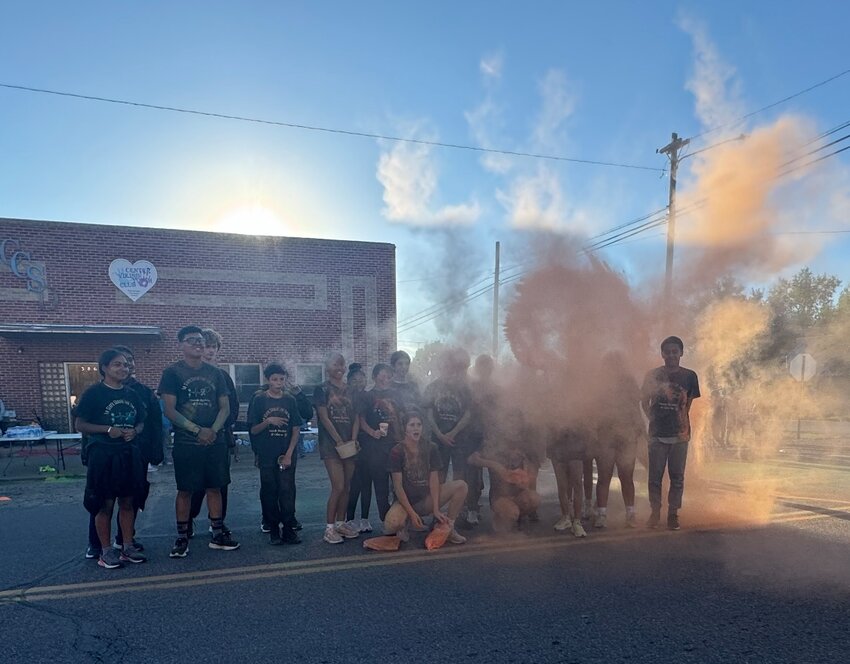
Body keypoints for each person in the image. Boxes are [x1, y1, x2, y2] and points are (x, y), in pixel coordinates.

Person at [159, 326, 238, 558]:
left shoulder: (217, 374)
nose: (198, 344)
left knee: (215, 487)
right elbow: (170, 410)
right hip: (186, 442)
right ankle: (182, 536)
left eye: (201, 340)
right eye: (192, 340)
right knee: (185, 490)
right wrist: (196, 430)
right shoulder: (172, 373)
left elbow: (225, 407)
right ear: (181, 344)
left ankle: (217, 533)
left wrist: (212, 430)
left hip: (215, 441)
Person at [76, 349, 147, 569]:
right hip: (103, 455)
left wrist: (134, 431)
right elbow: (80, 424)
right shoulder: (94, 393)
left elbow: (142, 421)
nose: (123, 369)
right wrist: (108, 429)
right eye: (117, 364)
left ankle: (126, 546)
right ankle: (105, 551)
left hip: (128, 454)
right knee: (104, 504)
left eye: (125, 365)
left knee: (128, 502)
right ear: (105, 367)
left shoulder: (132, 394)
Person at [641, 336, 700, 531]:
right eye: (668, 352)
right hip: (657, 435)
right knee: (655, 476)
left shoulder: (690, 376)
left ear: (681, 353)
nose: (671, 355)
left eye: (675, 351)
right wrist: (653, 419)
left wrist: (679, 420)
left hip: (680, 435)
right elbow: (644, 402)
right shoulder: (652, 375)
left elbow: (688, 403)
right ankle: (655, 512)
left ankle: (673, 514)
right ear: (662, 354)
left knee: (677, 477)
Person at [382, 410, 468, 545]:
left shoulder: (431, 448)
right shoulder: (397, 451)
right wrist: (411, 513)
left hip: (425, 500)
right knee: (391, 525)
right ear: (405, 428)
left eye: (419, 424)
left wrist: (435, 509)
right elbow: (398, 487)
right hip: (405, 503)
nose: (416, 428)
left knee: (461, 486)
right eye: (411, 425)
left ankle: (448, 528)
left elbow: (434, 480)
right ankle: (406, 522)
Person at [188, 328, 239, 539]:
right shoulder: (188, 375)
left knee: (219, 483)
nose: (209, 351)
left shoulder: (224, 377)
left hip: (219, 439)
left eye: (213, 347)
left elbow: (232, 409)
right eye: (205, 346)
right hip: (192, 439)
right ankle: (188, 520)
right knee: (194, 485)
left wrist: (216, 429)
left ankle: (217, 522)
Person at [247, 363, 303, 545]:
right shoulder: (259, 400)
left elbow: (296, 429)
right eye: (274, 379)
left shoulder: (290, 400)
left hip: (285, 452)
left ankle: (288, 528)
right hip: (266, 453)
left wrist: (289, 454)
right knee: (269, 491)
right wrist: (268, 421)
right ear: (268, 380)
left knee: (287, 491)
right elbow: (253, 430)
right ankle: (273, 529)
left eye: (281, 379)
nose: (278, 382)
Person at [591, 352, 643, 529]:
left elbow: (636, 408)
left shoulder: (629, 383)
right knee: (604, 476)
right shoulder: (599, 385)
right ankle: (601, 514)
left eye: (616, 363)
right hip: (606, 436)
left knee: (626, 476)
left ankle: (631, 514)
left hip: (626, 436)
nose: (613, 367)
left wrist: (639, 430)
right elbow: (594, 411)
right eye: (610, 364)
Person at [314, 352, 360, 544]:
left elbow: (356, 416)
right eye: (335, 364)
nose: (339, 368)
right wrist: (338, 440)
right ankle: (329, 528)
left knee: (347, 487)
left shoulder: (351, 390)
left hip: (349, 444)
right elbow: (324, 417)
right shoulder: (321, 389)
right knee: (338, 486)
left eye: (342, 364)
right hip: (331, 445)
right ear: (327, 367)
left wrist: (354, 439)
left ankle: (341, 523)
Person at [358, 363, 404, 522]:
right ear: (374, 377)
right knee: (381, 486)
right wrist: (373, 432)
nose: (385, 379)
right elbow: (361, 419)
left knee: (400, 485)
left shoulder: (396, 394)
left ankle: (401, 521)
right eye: (382, 376)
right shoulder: (367, 396)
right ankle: (387, 523)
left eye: (388, 376)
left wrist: (401, 437)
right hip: (376, 447)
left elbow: (401, 417)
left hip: (396, 444)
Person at [422, 348, 473, 486]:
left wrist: (453, 432)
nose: (447, 367)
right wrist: (439, 434)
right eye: (444, 364)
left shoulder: (464, 388)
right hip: (438, 438)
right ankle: (438, 504)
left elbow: (468, 413)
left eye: (450, 364)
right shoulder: (432, 387)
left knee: (460, 472)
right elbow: (429, 414)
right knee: (439, 472)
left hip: (459, 437)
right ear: (439, 366)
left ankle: (459, 505)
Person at [468, 445, 540, 533]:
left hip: (518, 495)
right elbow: (471, 459)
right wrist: (495, 465)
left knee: (533, 499)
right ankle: (501, 519)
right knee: (512, 513)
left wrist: (522, 479)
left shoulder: (525, 459)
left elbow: (528, 483)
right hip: (499, 497)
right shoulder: (495, 448)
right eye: (513, 449)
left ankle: (519, 516)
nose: (517, 452)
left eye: (518, 451)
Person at [345, 363, 373, 532]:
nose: (359, 382)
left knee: (366, 483)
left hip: (369, 444)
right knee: (353, 483)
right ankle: (350, 519)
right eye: (355, 380)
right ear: (349, 381)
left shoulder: (369, 397)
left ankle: (365, 519)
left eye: (362, 379)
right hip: (350, 443)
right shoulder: (345, 396)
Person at [547, 425, 589, 538]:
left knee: (577, 483)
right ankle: (566, 517)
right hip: (557, 446)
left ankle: (577, 521)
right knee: (562, 485)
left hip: (576, 446)